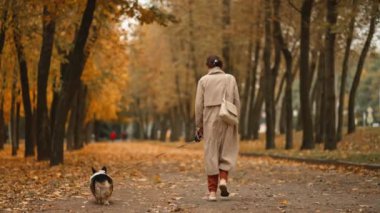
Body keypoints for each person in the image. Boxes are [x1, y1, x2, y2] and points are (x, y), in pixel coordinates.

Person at [195, 55, 240, 201]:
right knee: (226, 150)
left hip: (209, 119)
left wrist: (199, 126)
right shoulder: (230, 78)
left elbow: (198, 105)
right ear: (221, 65)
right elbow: (237, 101)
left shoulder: (203, 80)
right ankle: (223, 180)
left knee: (211, 153)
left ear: (208, 65)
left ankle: (212, 192)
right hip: (227, 117)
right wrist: (235, 118)